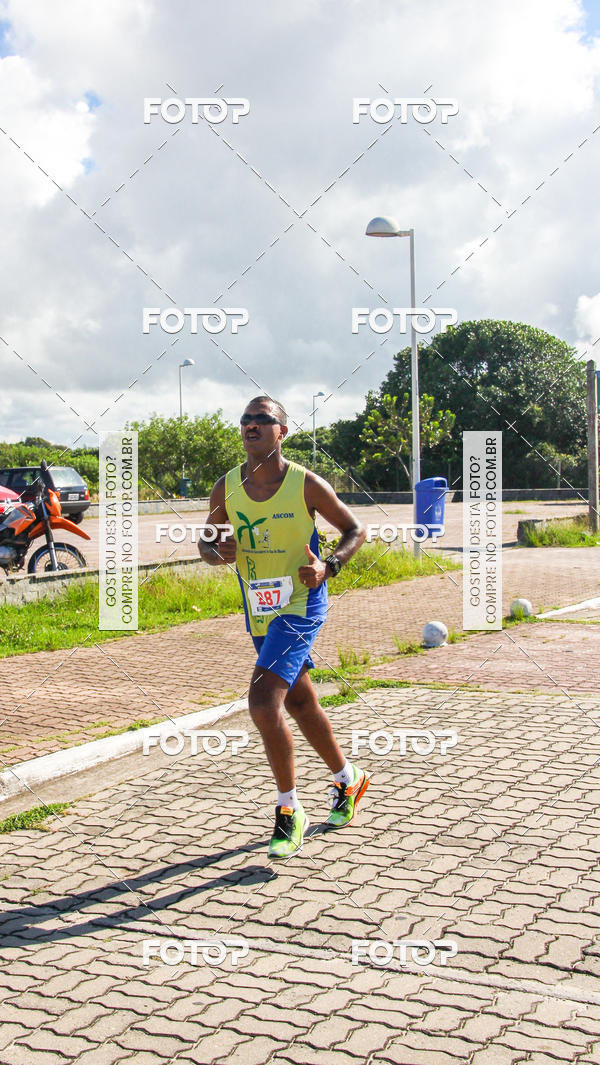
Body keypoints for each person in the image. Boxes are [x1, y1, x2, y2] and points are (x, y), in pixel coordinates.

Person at [200, 395, 370, 859]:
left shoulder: (305, 484)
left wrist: (329, 566)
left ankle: (289, 810)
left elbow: (355, 529)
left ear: (282, 432)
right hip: (259, 608)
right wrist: (217, 551)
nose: (251, 425)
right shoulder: (226, 488)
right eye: (246, 419)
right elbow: (206, 543)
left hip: (301, 603)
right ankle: (348, 780)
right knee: (298, 699)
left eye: (263, 419)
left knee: (261, 700)